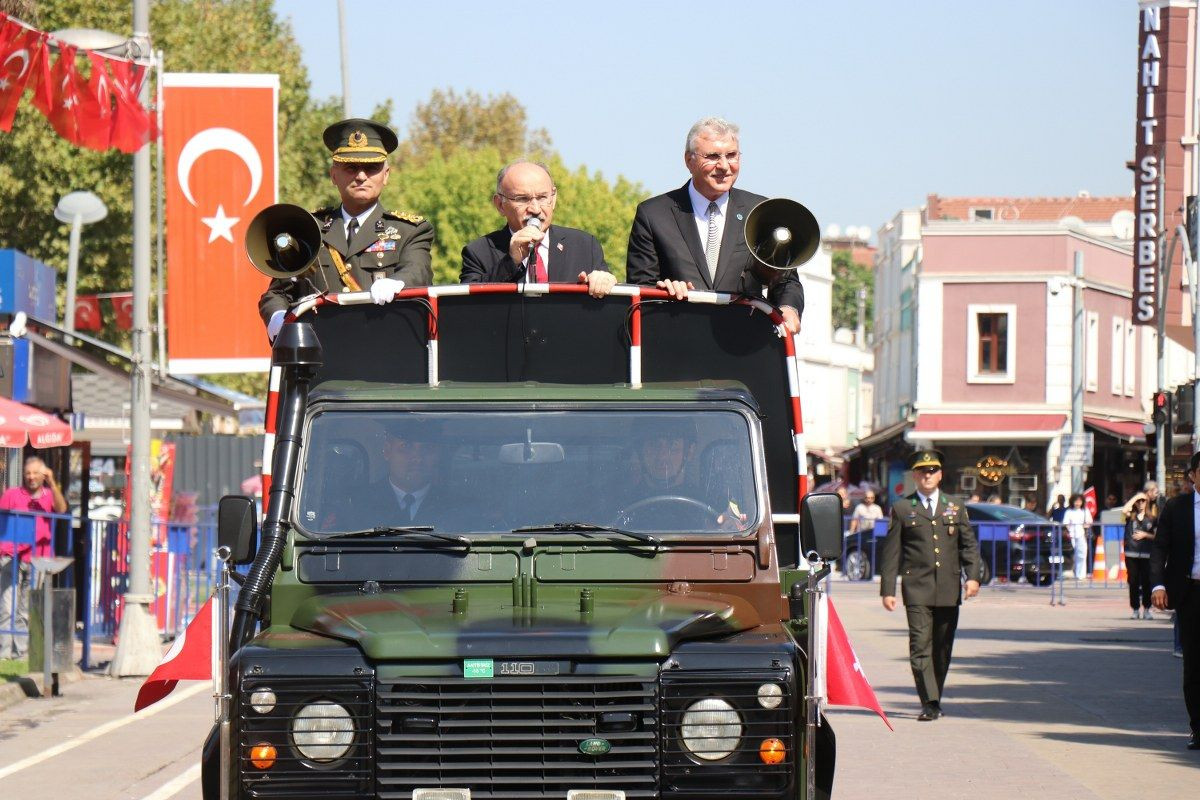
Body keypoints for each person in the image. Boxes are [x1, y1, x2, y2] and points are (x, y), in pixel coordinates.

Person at [625, 117, 803, 334]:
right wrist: (663, 291)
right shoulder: (653, 214)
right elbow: (639, 290)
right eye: (712, 156)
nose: (724, 166)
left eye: (731, 155)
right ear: (689, 161)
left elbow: (786, 280)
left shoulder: (761, 212)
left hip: (745, 346)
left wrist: (788, 308)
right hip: (676, 342)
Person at [259, 118, 434, 338]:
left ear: (386, 175)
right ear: (334, 174)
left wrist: (398, 282)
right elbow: (277, 293)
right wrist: (277, 318)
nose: (361, 176)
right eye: (351, 167)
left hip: (385, 351)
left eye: (372, 168)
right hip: (321, 354)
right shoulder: (308, 230)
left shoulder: (410, 231)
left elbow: (418, 271)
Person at [879, 449, 981, 721]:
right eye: (923, 471)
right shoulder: (903, 508)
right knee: (920, 645)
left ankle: (935, 693)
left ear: (940, 475)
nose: (928, 475)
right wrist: (887, 590)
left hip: (949, 587)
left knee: (943, 647)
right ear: (915, 475)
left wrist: (973, 576)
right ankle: (930, 701)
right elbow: (892, 552)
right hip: (917, 588)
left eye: (933, 470)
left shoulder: (955, 507)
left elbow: (968, 545)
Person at [460, 161, 615, 296]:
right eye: (522, 199)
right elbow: (469, 308)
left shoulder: (584, 246)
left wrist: (603, 282)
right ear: (500, 205)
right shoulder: (478, 252)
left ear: (553, 199)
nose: (535, 209)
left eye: (542, 198)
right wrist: (510, 262)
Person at [1149, 451, 1200, 750]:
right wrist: (1157, 584)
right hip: (1190, 593)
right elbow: (1160, 549)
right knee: (1194, 663)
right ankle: (1198, 727)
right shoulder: (1177, 507)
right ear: (1192, 474)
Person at [0, 456, 67, 658]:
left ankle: (21, 653)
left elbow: (62, 509)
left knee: (27, 608)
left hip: (38, 557)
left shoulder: (48, 495)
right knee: (6, 606)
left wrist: (53, 482)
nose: (31, 477)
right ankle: (4, 653)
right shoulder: (12, 494)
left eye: (35, 473)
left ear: (43, 475)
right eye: (28, 473)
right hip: (10, 556)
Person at [1122, 492, 1156, 620]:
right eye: (1139, 501)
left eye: (1143, 501)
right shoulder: (1131, 516)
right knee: (1133, 581)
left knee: (1147, 582)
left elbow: (1157, 536)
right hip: (1132, 553)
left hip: (1147, 554)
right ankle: (1135, 609)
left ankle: (1147, 608)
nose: (1141, 503)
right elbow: (1125, 509)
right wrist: (1136, 497)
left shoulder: (1152, 518)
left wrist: (1145, 535)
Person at [1062, 493, 1092, 581]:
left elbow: (1089, 521)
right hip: (1071, 535)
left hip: (1081, 534)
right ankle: (1071, 572)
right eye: (1076, 501)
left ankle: (1081, 574)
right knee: (1072, 555)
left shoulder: (1085, 510)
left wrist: (1086, 525)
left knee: (1082, 554)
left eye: (1079, 501)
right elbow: (1065, 522)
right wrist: (1069, 528)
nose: (1078, 503)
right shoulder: (1069, 511)